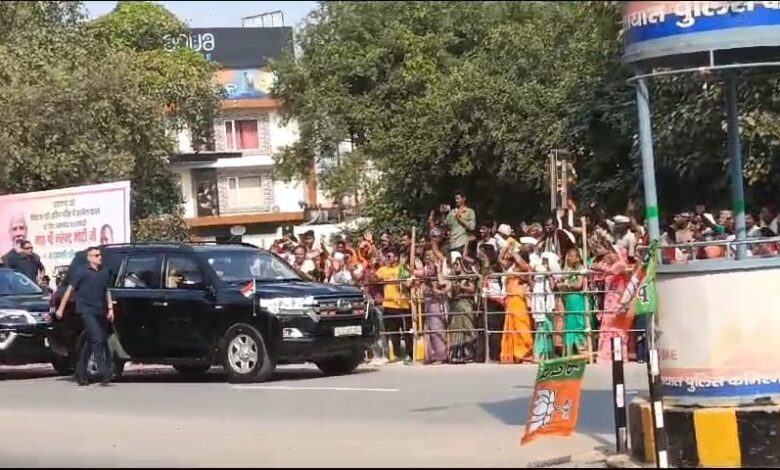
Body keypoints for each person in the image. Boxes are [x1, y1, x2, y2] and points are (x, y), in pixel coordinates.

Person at [55, 246, 114, 385]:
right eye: (96, 255)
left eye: (100, 255)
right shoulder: (81, 272)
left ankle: (81, 374)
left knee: (91, 342)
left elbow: (106, 290)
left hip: (101, 311)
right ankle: (103, 372)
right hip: (86, 311)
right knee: (98, 340)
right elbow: (69, 290)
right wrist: (60, 309)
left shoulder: (104, 272)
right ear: (89, 258)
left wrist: (110, 308)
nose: (99, 258)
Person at [375, 249, 414, 364]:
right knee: (394, 333)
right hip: (389, 305)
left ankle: (409, 355)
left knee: (407, 332)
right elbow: (374, 278)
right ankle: (397, 355)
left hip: (403, 305)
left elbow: (409, 284)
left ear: (396, 258)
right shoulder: (383, 269)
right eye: (386, 257)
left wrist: (402, 277)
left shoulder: (402, 269)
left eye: (389, 256)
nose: (387, 259)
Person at [499, 248, 533, 364]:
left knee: (522, 326)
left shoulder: (525, 268)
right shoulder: (511, 268)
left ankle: (525, 353)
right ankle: (513, 355)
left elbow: (524, 266)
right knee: (511, 328)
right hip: (510, 300)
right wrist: (508, 247)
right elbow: (500, 259)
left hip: (519, 299)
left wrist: (514, 252)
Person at [443, 251, 477, 364]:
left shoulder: (468, 274)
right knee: (456, 328)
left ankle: (469, 353)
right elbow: (449, 291)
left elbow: (472, 289)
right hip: (456, 304)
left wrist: (462, 286)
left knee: (467, 327)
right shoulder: (454, 277)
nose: (455, 267)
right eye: (453, 265)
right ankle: (457, 354)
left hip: (466, 303)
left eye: (456, 264)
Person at [558, 248, 588, 356]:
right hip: (569, 302)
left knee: (579, 324)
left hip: (577, 301)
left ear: (578, 258)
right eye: (568, 256)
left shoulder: (580, 269)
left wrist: (566, 285)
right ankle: (569, 353)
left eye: (571, 256)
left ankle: (582, 352)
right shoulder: (569, 270)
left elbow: (579, 284)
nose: (568, 258)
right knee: (569, 326)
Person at [445, 191, 476, 256]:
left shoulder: (469, 211)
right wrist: (443, 214)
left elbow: (472, 227)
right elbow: (446, 225)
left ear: (463, 199)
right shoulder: (452, 212)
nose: (456, 201)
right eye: (455, 199)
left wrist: (460, 219)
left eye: (458, 199)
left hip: (462, 241)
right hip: (452, 242)